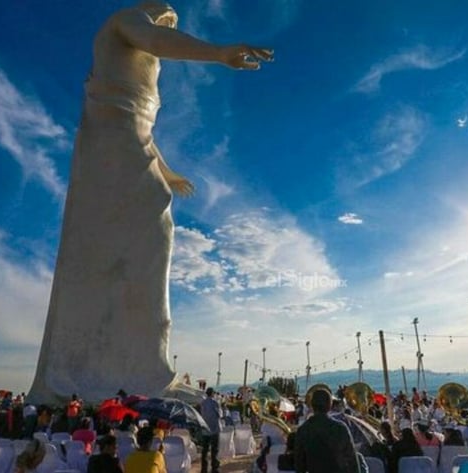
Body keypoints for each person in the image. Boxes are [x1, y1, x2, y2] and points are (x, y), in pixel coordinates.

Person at [27, 0, 274, 404]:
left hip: (129, 139)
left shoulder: (135, 36)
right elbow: (156, 40)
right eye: (169, 14)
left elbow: (141, 130)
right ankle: (133, 372)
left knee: (149, 232)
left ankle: (135, 365)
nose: (172, 16)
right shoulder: (127, 21)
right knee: (151, 230)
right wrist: (217, 52)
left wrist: (170, 173)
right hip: (110, 143)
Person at [295, 387, 359, 473]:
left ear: (312, 405)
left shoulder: (303, 430)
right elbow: (352, 462)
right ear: (330, 405)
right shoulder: (341, 428)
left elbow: (299, 465)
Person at [200, 387, 222, 473]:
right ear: (212, 393)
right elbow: (220, 414)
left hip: (205, 429)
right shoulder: (215, 402)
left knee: (204, 450)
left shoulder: (203, 403)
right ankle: (214, 469)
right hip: (214, 429)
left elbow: (202, 414)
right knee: (214, 450)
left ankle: (204, 469)